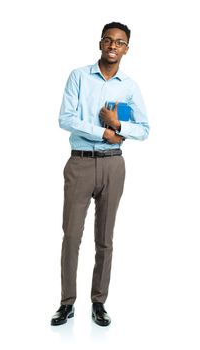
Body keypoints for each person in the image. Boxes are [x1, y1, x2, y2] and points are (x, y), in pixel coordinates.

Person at [51, 21, 149, 327]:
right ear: (100, 43)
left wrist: (119, 126)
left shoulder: (129, 86)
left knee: (105, 239)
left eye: (119, 42)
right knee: (72, 236)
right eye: (108, 40)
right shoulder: (79, 76)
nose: (113, 46)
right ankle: (67, 303)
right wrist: (103, 131)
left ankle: (99, 302)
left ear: (126, 49)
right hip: (80, 163)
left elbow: (144, 130)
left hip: (113, 165)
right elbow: (65, 118)